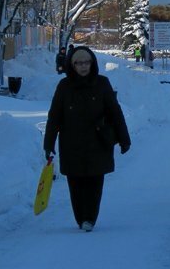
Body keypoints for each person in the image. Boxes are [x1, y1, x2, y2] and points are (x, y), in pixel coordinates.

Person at [43, 46, 131, 231]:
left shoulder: (102, 83)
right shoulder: (64, 87)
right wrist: (49, 144)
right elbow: (54, 117)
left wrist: (124, 138)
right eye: (79, 63)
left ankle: (89, 218)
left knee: (94, 182)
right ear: (72, 65)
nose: (83, 66)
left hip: (98, 141)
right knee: (75, 184)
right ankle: (80, 217)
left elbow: (115, 113)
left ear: (92, 63)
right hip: (71, 144)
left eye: (86, 62)